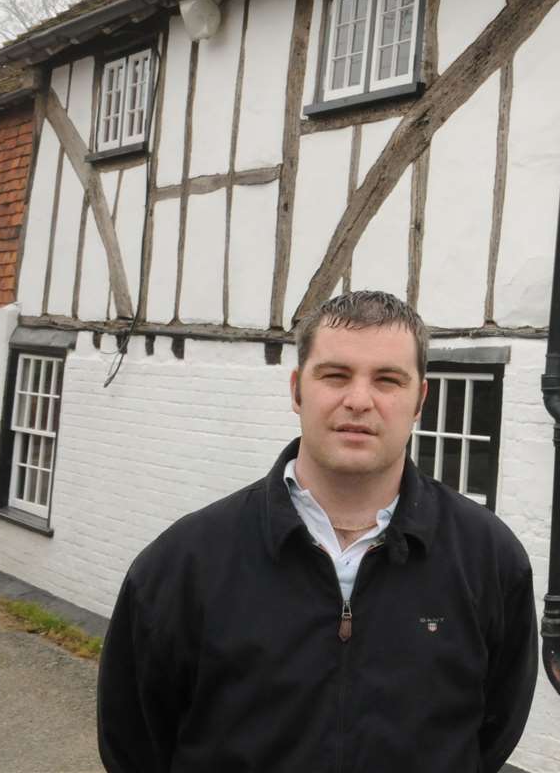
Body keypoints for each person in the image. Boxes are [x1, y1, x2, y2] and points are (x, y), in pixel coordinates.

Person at [97, 290, 537, 772]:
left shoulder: (489, 559)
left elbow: (493, 731)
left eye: (388, 380)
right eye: (335, 375)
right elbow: (134, 746)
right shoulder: (184, 563)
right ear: (296, 390)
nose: (359, 400)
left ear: (419, 401)